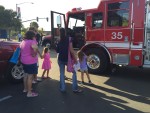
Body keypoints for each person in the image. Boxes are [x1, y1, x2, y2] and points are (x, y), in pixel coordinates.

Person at [56, 28, 82, 93]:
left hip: (60, 59)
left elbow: (57, 50)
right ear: (65, 32)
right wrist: (75, 59)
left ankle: (63, 88)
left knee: (62, 74)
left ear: (59, 33)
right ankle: (75, 89)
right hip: (68, 59)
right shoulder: (69, 39)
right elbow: (71, 50)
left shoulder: (58, 40)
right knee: (74, 73)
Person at [20, 30, 39, 97]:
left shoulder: (23, 41)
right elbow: (36, 48)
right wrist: (34, 54)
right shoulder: (32, 41)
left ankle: (25, 89)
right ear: (32, 36)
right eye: (34, 35)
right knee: (30, 77)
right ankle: (29, 93)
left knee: (25, 75)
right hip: (30, 62)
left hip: (23, 61)